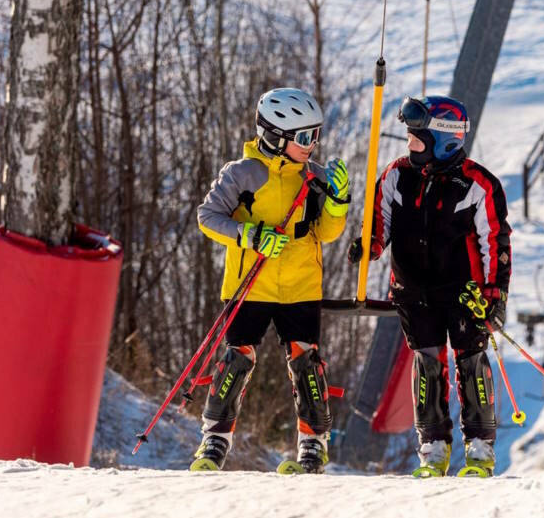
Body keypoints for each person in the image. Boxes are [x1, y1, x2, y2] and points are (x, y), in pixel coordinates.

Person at [348, 95, 511, 478]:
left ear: (444, 140)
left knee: (470, 361)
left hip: (463, 293)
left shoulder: (477, 184)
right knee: (426, 363)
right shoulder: (396, 175)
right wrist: (368, 244)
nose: (409, 145)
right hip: (413, 290)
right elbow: (380, 219)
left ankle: (480, 447)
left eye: (417, 139)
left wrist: (494, 295)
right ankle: (433, 447)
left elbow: (495, 242)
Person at [191, 87, 351, 473]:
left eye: (315, 135)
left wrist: (338, 203)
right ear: (275, 137)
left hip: (300, 282)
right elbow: (208, 217)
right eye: (302, 138)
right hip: (251, 282)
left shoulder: (313, 176)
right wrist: (251, 235)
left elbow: (326, 232)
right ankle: (213, 441)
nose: (311, 145)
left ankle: (313, 445)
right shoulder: (242, 173)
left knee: (306, 361)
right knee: (236, 359)